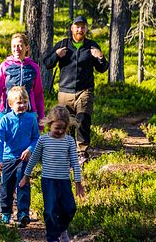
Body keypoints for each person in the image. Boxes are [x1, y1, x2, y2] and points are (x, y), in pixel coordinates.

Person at [43, 16, 108, 165]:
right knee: (67, 123)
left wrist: (100, 57)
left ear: (86, 29)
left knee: (83, 119)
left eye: (82, 26)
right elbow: (47, 63)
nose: (80, 29)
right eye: (77, 26)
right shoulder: (63, 44)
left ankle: (82, 152)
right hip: (65, 91)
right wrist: (56, 55)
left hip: (84, 91)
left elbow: (102, 68)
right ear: (72, 28)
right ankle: (68, 151)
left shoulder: (91, 46)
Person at [20, 105, 85, 242]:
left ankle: (62, 229)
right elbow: (33, 159)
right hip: (48, 181)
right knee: (50, 210)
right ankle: (52, 240)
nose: (60, 131)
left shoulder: (69, 141)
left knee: (70, 209)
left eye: (63, 128)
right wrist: (26, 176)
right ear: (50, 125)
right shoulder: (43, 141)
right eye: (57, 128)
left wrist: (78, 183)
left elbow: (75, 162)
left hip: (64, 181)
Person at [0, 86, 40, 227]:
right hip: (8, 158)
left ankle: (23, 214)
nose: (22, 105)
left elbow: (36, 138)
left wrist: (30, 149)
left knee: (23, 185)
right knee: (6, 187)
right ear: (10, 104)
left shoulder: (31, 119)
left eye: (25, 102)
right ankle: (6, 213)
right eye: (19, 103)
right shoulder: (6, 120)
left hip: (24, 159)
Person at [0, 32, 45, 128]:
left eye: (20, 45)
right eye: (14, 46)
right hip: (7, 112)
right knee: (8, 142)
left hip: (29, 113)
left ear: (26, 47)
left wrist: (41, 118)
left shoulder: (33, 67)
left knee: (29, 141)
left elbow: (38, 94)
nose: (16, 49)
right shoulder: (5, 66)